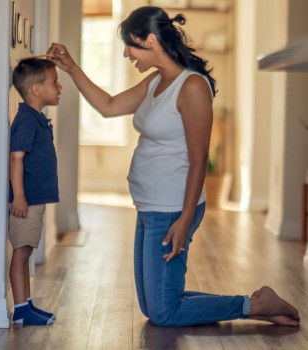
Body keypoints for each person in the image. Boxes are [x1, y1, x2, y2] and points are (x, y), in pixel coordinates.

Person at [49, 6, 299, 327]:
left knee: (164, 313)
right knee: (153, 306)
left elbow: (198, 161)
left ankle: (256, 306)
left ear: (151, 41)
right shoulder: (156, 81)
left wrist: (184, 218)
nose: (126, 53)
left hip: (170, 210)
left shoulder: (192, 87)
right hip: (150, 206)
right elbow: (109, 107)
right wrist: (71, 68)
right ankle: (256, 303)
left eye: (131, 44)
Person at [8, 58, 62, 325]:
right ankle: (20, 310)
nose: (59, 87)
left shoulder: (35, 118)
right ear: (36, 90)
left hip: (34, 200)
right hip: (26, 201)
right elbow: (16, 157)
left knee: (26, 250)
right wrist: (18, 195)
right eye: (54, 82)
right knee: (21, 251)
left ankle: (26, 305)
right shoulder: (27, 120)